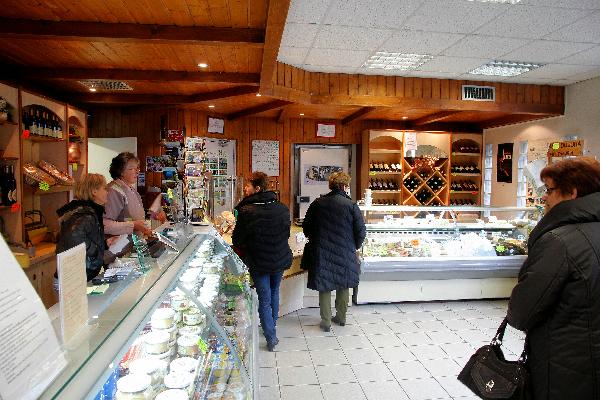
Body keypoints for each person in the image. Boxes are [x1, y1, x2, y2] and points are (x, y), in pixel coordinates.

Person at [507, 157, 600, 399]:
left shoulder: (558, 242)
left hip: (565, 363)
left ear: (572, 193)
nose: (544, 197)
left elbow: (521, 312)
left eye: (549, 190)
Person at [232, 171, 292, 351]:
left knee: (264, 298)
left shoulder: (246, 211)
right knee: (274, 293)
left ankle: (271, 337)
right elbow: (286, 233)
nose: (244, 188)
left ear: (257, 189)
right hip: (279, 258)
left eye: (248, 186)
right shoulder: (282, 208)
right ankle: (271, 328)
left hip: (259, 262)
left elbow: (237, 241)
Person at [302, 172, 366, 332]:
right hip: (345, 252)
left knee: (325, 285)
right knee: (343, 284)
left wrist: (315, 239)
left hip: (322, 252)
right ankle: (341, 317)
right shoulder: (351, 205)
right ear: (345, 186)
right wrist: (353, 246)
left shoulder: (318, 203)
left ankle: (326, 321)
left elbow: (306, 227)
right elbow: (361, 232)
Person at [55, 173, 110, 283]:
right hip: (73, 281)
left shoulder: (89, 211)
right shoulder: (85, 215)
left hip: (77, 277)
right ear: (94, 191)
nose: (107, 192)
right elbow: (74, 238)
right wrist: (95, 250)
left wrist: (105, 243)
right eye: (104, 188)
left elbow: (85, 237)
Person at [104, 152, 166, 237]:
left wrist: (155, 219)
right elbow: (105, 225)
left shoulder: (132, 190)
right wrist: (133, 225)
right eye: (132, 168)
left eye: (137, 168)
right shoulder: (113, 191)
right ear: (121, 171)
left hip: (135, 244)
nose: (137, 172)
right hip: (119, 247)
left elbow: (136, 220)